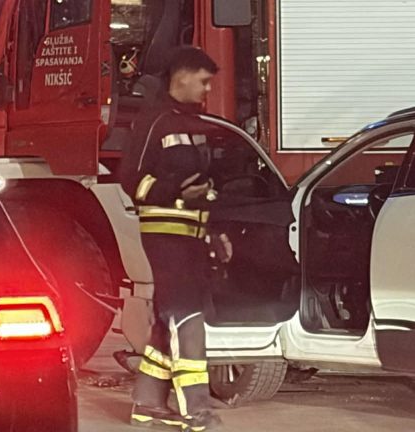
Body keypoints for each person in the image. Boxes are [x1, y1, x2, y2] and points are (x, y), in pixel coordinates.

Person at [120, 46, 228, 431]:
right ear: (181, 76)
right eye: (204, 81)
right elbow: (132, 180)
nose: (207, 89)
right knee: (187, 319)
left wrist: (214, 229)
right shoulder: (155, 121)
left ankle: (148, 403)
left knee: (170, 319)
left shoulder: (195, 123)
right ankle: (197, 411)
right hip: (164, 238)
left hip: (192, 238)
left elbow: (206, 183)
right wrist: (178, 192)